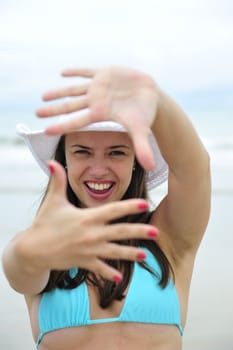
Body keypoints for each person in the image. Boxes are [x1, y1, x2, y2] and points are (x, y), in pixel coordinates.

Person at [2, 66, 211, 350]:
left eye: (116, 152)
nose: (98, 170)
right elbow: (18, 265)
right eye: (82, 151)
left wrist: (157, 101)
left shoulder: (167, 239)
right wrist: (30, 252)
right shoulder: (43, 245)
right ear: (64, 159)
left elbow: (194, 170)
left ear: (134, 160)